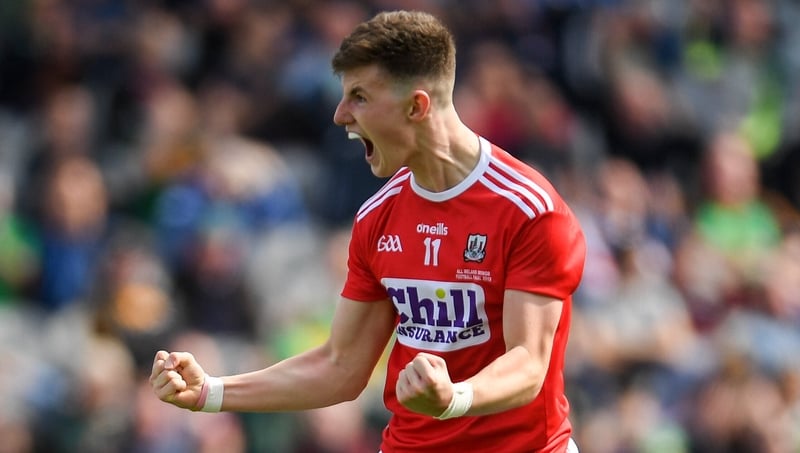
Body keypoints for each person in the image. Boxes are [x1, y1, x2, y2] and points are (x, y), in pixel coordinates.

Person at [150, 10, 586, 453]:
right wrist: (212, 391)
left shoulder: (528, 209)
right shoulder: (378, 216)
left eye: (359, 97)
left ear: (417, 106)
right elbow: (340, 365)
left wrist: (453, 398)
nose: (340, 115)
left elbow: (528, 364)